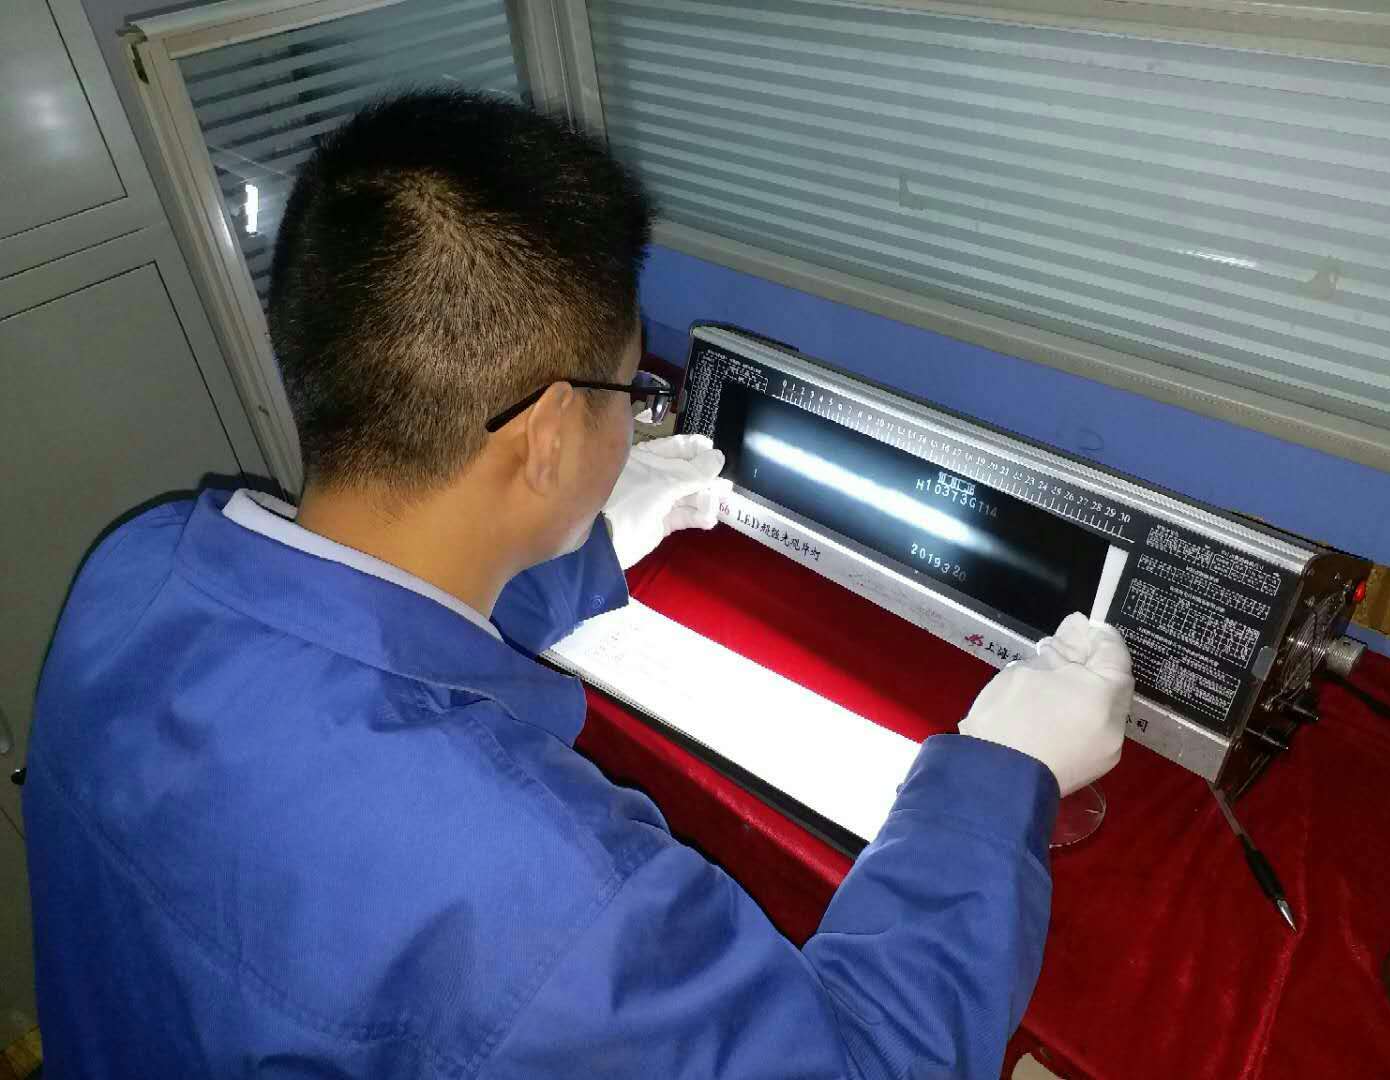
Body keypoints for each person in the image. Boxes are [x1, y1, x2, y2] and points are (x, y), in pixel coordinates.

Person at [24, 90, 1132, 1078]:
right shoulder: (544, 898)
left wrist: (579, 550)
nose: (633, 415)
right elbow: (869, 1059)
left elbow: (347, 630)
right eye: (629, 392)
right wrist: (1005, 777)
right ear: (548, 436)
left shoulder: (135, 569)